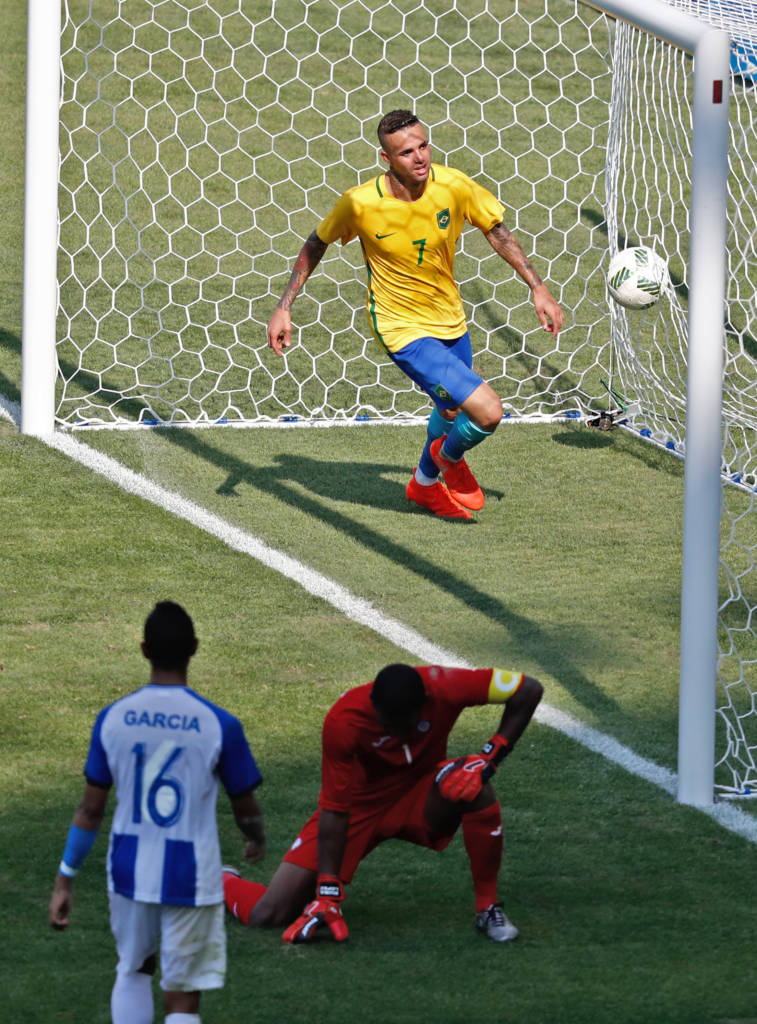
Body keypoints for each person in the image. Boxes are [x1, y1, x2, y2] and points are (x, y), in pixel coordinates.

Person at [267, 108, 564, 520]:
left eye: (423, 145)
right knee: (488, 411)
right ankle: (449, 457)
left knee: (452, 410)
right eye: (407, 152)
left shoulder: (453, 186)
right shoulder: (361, 203)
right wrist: (284, 308)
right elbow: (316, 243)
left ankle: (423, 487)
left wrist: (538, 287)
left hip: (450, 320)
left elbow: (496, 231)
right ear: (386, 159)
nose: (420, 157)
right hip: (401, 329)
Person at [48, 601, 266, 1024]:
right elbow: (245, 808)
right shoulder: (219, 724)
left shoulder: (112, 719)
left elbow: (90, 811)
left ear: (144, 650)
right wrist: (255, 836)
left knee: (133, 971)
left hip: (129, 868)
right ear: (195, 649)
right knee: (182, 998)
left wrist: (64, 880)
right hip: (193, 874)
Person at [222, 661, 543, 944]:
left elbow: (528, 689)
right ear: (374, 705)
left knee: (473, 787)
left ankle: (488, 909)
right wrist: (327, 891)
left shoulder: (446, 685)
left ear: (425, 704)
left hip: (420, 794)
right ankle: (220, 879)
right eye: (387, 722)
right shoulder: (344, 720)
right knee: (268, 914)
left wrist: (488, 759)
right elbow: (335, 808)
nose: (395, 731)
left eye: (405, 723)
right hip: (359, 807)